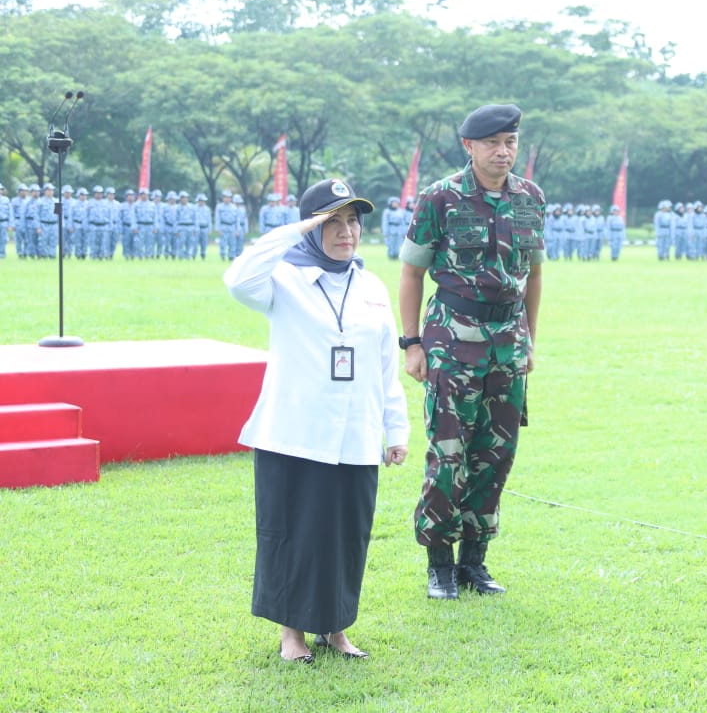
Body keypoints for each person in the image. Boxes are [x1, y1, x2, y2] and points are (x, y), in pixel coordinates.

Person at [225, 178, 409, 663]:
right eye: (333, 222)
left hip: (357, 433)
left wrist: (398, 429)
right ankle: (292, 635)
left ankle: (336, 628)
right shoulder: (282, 280)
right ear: (310, 229)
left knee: (348, 534)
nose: (346, 232)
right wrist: (294, 230)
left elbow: (386, 363)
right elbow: (238, 279)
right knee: (294, 531)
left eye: (353, 221)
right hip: (294, 433)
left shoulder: (370, 285)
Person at [398, 103, 545, 600]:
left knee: (495, 456)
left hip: (507, 345)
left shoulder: (530, 198)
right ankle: (439, 564)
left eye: (510, 142)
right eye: (492, 143)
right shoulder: (441, 198)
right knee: (448, 455)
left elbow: (536, 274)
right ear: (469, 147)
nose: (503, 152)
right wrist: (412, 343)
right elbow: (412, 273)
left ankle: (474, 563)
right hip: (451, 344)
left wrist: (530, 340)